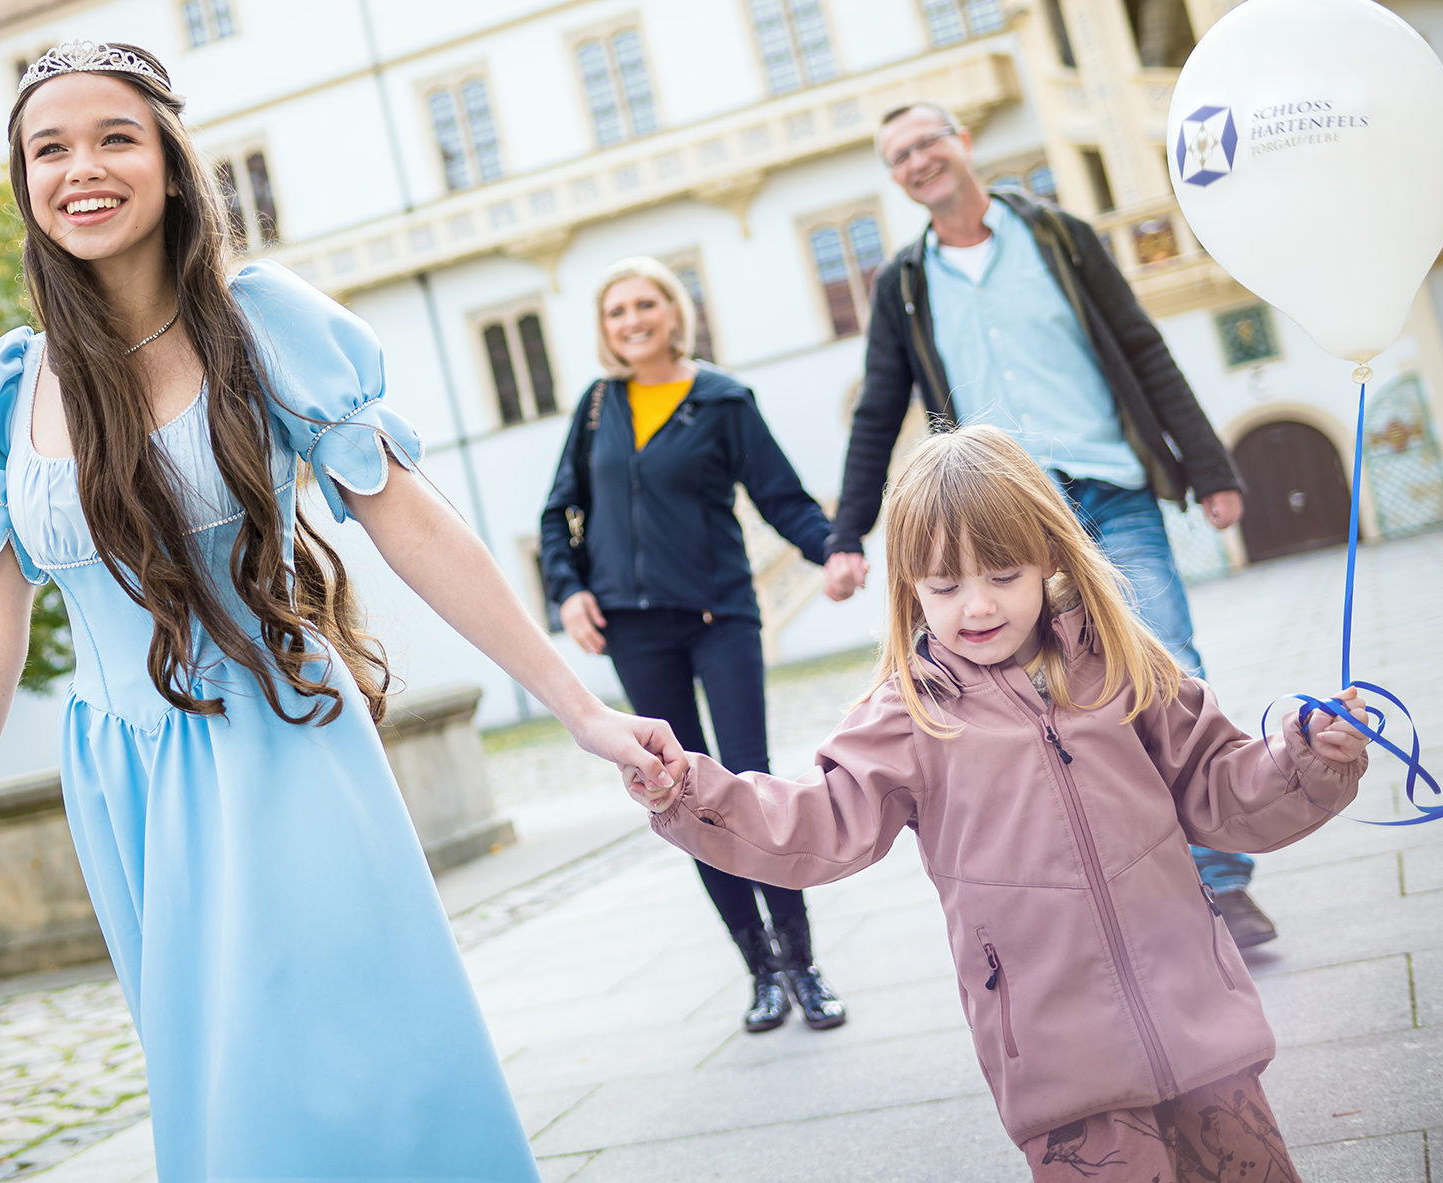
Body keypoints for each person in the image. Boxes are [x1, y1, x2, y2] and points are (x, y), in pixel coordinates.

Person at [0, 40, 685, 1182]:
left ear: (168, 161)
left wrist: (580, 710)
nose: (83, 169)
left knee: (352, 1053)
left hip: (282, 742)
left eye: (115, 137)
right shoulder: (4, 393)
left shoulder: (260, 324)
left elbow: (411, 523)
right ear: (23, 183)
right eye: (47, 148)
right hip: (123, 777)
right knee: (220, 1087)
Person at [635, 425, 1368, 1180]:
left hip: (1202, 1024)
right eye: (945, 584)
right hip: (1061, 1064)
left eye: (1003, 574)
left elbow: (1221, 787)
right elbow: (817, 825)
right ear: (911, 585)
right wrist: (691, 792)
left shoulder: (1121, 661)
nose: (976, 606)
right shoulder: (908, 715)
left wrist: (1305, 755)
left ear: (1048, 555)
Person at [825, 103, 1277, 947]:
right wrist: (847, 533)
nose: (917, 160)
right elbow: (879, 408)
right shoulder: (906, 284)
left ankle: (1219, 883)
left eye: (927, 142)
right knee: (1048, 699)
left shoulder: (1060, 237)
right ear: (895, 178)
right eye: (898, 156)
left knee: (1163, 664)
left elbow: (1144, 347)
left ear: (961, 144)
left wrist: (1208, 464)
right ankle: (1123, 878)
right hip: (1003, 522)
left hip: (1109, 485)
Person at [538, 257, 847, 1033]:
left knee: (745, 776)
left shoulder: (722, 398)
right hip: (634, 630)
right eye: (617, 311)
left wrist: (832, 550)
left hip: (719, 618)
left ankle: (804, 963)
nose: (632, 320)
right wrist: (568, 588)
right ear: (605, 328)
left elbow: (780, 496)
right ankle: (760, 971)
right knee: (683, 792)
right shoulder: (599, 405)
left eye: (646, 304)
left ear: (674, 313)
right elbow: (558, 513)